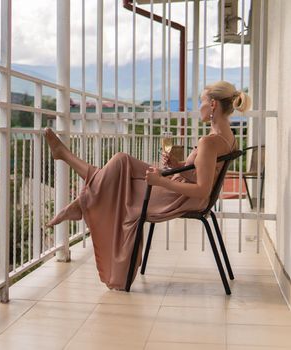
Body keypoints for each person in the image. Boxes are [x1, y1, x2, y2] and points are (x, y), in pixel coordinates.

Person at [44, 81, 251, 290]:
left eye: (202, 101)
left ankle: (74, 180)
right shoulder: (227, 138)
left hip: (182, 198)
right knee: (121, 162)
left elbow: (202, 189)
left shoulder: (210, 142)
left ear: (213, 104)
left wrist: (161, 181)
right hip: (181, 187)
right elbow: (201, 173)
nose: (199, 107)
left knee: (120, 180)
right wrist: (177, 165)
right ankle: (77, 189)